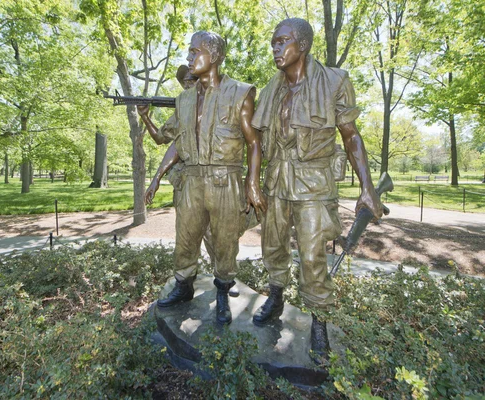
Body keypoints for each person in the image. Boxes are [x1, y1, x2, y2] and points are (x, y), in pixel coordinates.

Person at [251, 18, 382, 362]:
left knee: (312, 255)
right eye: (273, 43)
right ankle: (276, 294)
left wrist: (367, 188)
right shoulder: (271, 89)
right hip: (277, 179)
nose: (275, 49)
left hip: (314, 183)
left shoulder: (334, 80)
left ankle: (319, 322)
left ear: (303, 45)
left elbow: (350, 135)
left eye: (282, 42)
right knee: (273, 243)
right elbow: (257, 142)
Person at [138, 31, 266, 325]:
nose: (189, 57)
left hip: (226, 178)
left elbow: (254, 142)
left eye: (195, 51)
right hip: (192, 180)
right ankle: (184, 286)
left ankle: (222, 292)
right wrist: (158, 176)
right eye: (189, 51)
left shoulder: (240, 92)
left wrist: (252, 182)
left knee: (224, 242)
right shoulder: (183, 100)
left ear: (215, 55)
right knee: (185, 237)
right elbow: (175, 143)